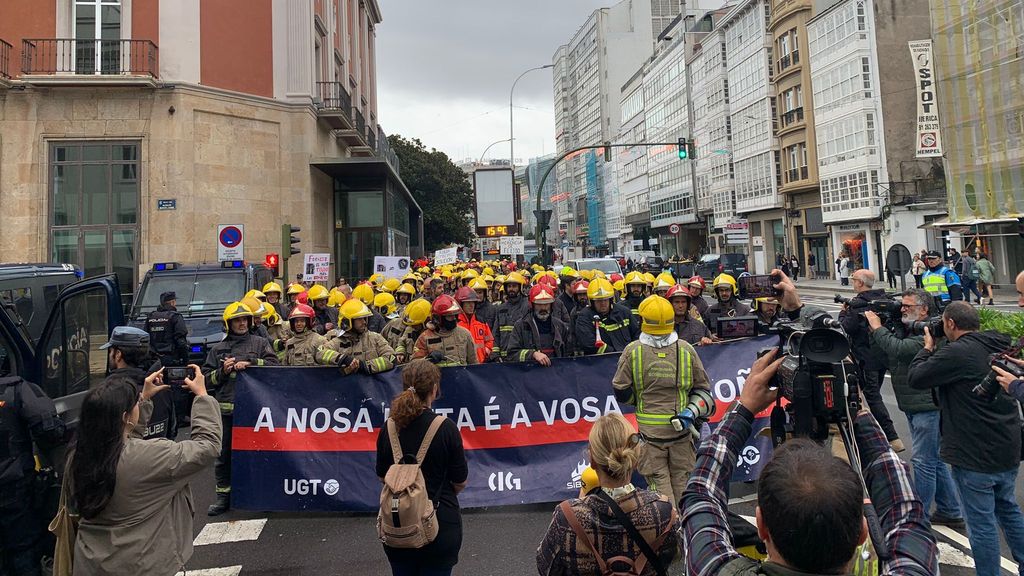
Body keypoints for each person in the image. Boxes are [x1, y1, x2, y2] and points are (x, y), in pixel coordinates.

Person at [681, 347, 939, 576]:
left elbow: (701, 494)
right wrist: (854, 406)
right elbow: (905, 510)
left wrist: (744, 407)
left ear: (761, 526)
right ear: (862, 532)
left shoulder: (714, 567)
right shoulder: (911, 567)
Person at [908, 301, 1024, 576]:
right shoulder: (997, 344)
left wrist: (926, 348)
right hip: (1007, 445)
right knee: (1008, 509)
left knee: (981, 522)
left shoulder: (957, 352)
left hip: (973, 452)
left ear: (950, 324)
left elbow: (917, 377)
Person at [69, 367, 220, 576]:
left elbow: (123, 443)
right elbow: (208, 446)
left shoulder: (79, 456)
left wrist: (144, 399)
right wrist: (203, 397)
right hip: (141, 563)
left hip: (90, 562)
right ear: (125, 417)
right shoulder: (152, 457)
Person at [865, 290, 964, 528]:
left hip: (927, 406)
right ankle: (950, 509)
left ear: (924, 310)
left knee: (923, 462)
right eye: (902, 306)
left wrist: (878, 328)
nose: (902, 309)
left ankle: (917, 518)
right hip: (914, 404)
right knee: (935, 460)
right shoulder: (908, 328)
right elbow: (883, 354)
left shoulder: (929, 332)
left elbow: (899, 349)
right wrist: (877, 331)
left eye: (908, 306)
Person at [536, 413, 680, 576]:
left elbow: (545, 567)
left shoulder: (566, 517)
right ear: (634, 459)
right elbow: (674, 557)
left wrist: (580, 504)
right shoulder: (663, 511)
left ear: (592, 460)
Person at [612, 295, 712, 509]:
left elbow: (620, 390)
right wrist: (691, 412)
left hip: (651, 439)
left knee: (661, 497)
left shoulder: (633, 351)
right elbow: (703, 391)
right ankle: (689, 535)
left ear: (643, 321)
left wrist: (639, 400)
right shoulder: (686, 349)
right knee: (684, 488)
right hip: (682, 436)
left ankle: (670, 535)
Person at [376, 360, 468, 576]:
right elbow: (460, 481)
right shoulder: (446, 428)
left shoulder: (388, 428)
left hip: (398, 525)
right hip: (439, 523)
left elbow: (382, 476)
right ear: (434, 389)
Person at [202, 301, 279, 516]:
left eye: (245, 319)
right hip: (227, 413)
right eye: (237, 320)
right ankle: (224, 497)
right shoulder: (217, 349)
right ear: (229, 324)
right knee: (224, 455)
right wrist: (223, 371)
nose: (242, 323)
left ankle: (262, 494)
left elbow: (275, 367)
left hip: (256, 413)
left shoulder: (260, 343)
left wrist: (252, 362)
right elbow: (206, 381)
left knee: (259, 454)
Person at [0, 372, 65, 576]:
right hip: (13, 490)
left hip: (14, 487)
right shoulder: (16, 389)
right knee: (23, 551)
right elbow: (49, 431)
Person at [838, 269, 903, 451]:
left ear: (860, 282)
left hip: (866, 358)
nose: (852, 283)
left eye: (853, 280)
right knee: (871, 395)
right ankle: (879, 433)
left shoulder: (857, 304)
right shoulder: (885, 300)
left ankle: (891, 437)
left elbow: (846, 328)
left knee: (872, 396)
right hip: (883, 355)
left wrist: (843, 314)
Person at [101, 326, 175, 440]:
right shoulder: (160, 388)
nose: (110, 355)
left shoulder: (107, 393)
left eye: (111, 351)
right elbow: (171, 431)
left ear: (118, 354)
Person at [320, 299, 397, 375]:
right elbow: (320, 352)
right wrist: (343, 359)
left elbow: (391, 358)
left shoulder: (375, 338)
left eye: (365, 318)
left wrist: (364, 366)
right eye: (360, 319)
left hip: (371, 386)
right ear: (348, 321)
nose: (364, 322)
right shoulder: (336, 339)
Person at [573, 278, 638, 355]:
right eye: (599, 300)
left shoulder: (624, 312)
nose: (603, 303)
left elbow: (636, 334)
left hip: (626, 357)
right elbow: (588, 342)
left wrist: (628, 353)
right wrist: (613, 354)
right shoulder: (584, 317)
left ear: (610, 299)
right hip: (601, 362)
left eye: (605, 300)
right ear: (592, 302)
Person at [508, 284, 569, 365]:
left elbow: (568, 354)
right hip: (530, 375)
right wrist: (533, 354)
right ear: (532, 305)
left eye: (546, 304)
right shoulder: (521, 326)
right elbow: (512, 354)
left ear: (552, 305)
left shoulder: (560, 326)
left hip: (556, 374)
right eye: (539, 304)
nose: (543, 308)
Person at [413, 295, 479, 367]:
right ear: (438, 318)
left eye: (455, 315)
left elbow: (474, 365)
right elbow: (414, 364)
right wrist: (427, 359)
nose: (453, 319)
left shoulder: (465, 334)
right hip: (436, 377)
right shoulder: (425, 337)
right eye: (449, 316)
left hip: (460, 377)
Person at [490, 272, 530, 361]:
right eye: (509, 286)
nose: (511, 289)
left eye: (514, 286)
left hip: (522, 358)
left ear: (521, 288)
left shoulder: (528, 306)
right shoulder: (501, 308)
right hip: (504, 359)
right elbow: (496, 334)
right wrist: (495, 355)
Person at [144, 291, 189, 368]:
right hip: (172, 361)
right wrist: (186, 361)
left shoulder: (150, 317)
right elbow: (181, 341)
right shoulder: (175, 317)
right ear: (172, 302)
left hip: (153, 362)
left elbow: (145, 339)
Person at [454, 287, 493, 363]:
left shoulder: (481, 321)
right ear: (460, 304)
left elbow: (489, 339)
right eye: (468, 302)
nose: (471, 305)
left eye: (473, 302)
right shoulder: (455, 323)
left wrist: (486, 351)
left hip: (480, 364)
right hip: (462, 366)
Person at [395, 298, 432, 364]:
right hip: (409, 365)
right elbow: (401, 342)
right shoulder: (410, 328)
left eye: (415, 324)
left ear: (426, 320)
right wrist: (400, 353)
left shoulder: (433, 333)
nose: (412, 326)